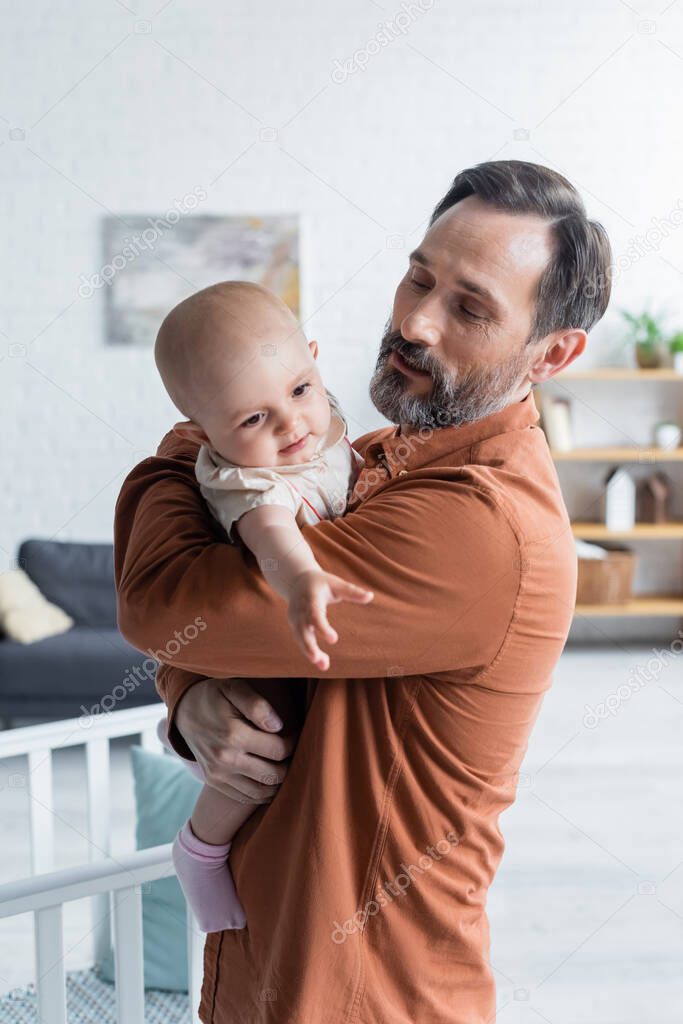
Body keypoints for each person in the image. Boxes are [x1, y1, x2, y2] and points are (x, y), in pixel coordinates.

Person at [114, 160, 612, 1023]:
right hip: (271, 966)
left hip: (360, 995)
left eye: (469, 307)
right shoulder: (378, 455)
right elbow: (213, 634)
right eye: (418, 276)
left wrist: (186, 448)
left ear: (552, 353)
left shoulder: (475, 528)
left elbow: (163, 601)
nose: (414, 319)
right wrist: (192, 694)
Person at [152, 280, 373, 932]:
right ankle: (200, 845)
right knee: (266, 743)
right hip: (268, 643)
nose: (290, 425)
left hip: (309, 639)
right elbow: (273, 537)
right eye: (252, 419)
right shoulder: (246, 480)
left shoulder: (321, 423)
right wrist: (304, 580)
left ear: (311, 358)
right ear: (203, 432)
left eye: (300, 390)